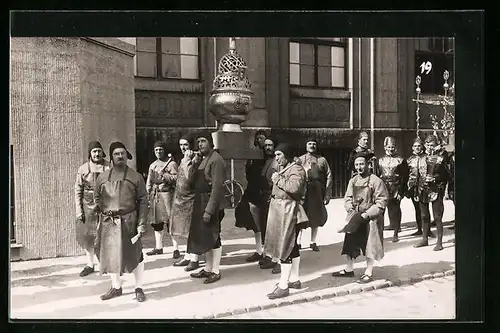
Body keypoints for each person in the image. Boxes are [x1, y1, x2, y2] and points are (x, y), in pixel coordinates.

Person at [94, 142, 148, 302]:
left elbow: (143, 201)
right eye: (116, 154)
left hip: (129, 221)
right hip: (109, 223)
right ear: (111, 157)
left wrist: (142, 223)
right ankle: (116, 287)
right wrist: (103, 214)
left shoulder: (136, 177)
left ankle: (139, 287)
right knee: (111, 255)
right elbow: (97, 198)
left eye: (123, 153)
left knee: (136, 255)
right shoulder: (102, 178)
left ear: (127, 156)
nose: (120, 156)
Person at [332, 152, 388, 283]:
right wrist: (350, 209)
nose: (359, 167)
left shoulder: (376, 181)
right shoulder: (353, 180)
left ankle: (368, 271)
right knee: (350, 242)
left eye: (362, 164)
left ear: (368, 164)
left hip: (371, 218)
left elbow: (381, 202)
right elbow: (348, 198)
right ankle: (349, 269)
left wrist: (367, 214)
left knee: (370, 244)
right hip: (356, 216)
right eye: (357, 164)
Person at [264, 143, 307, 299]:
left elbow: (294, 188)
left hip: (289, 211)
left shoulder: (296, 169)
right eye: (275, 155)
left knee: (285, 247)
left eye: (279, 155)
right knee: (292, 246)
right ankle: (294, 280)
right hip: (280, 210)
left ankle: (283, 286)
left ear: (287, 155)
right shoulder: (285, 168)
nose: (276, 158)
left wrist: (278, 179)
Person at [187, 132, 226, 284]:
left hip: (211, 203)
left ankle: (215, 270)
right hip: (200, 202)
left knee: (214, 237)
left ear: (211, 142)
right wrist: (194, 164)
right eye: (198, 142)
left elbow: (217, 188)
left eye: (203, 141)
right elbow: (190, 183)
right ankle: (208, 268)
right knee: (205, 237)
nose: (200, 144)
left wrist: (209, 210)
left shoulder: (217, 160)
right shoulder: (202, 160)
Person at [74, 141, 111, 277]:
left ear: (102, 152)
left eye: (99, 151)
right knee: (88, 237)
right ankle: (90, 264)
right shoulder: (83, 169)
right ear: (90, 153)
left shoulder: (109, 167)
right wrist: (79, 211)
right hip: (87, 207)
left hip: (104, 206)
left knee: (105, 236)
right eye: (94, 151)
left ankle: (105, 265)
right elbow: (78, 191)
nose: (97, 154)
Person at [413, 134, 452, 251]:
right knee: (424, 215)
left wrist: (436, 179)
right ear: (425, 146)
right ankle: (425, 238)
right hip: (423, 190)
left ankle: (439, 242)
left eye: (432, 145)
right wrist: (415, 190)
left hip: (436, 190)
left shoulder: (441, 159)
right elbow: (417, 176)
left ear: (436, 146)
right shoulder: (421, 159)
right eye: (428, 145)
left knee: (437, 217)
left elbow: (448, 176)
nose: (430, 147)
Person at [235, 130, 268, 263]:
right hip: (253, 191)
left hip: (264, 192)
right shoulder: (252, 156)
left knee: (265, 224)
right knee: (256, 224)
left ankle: (267, 253)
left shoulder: (269, 157)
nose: (260, 140)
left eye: (262, 138)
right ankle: (259, 251)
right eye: (258, 138)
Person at [297, 138, 333, 252]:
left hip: (317, 191)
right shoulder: (300, 159)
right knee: (301, 216)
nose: (312, 145)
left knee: (316, 216)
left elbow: (329, 176)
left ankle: (313, 242)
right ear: (306, 146)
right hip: (303, 191)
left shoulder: (322, 160)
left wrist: (327, 194)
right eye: (309, 143)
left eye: (314, 144)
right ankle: (298, 241)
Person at [171, 135, 200, 271]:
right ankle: (188, 256)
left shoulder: (195, 158)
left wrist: (189, 159)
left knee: (192, 231)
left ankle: (194, 259)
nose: (183, 148)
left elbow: (189, 177)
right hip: (182, 199)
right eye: (181, 145)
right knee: (184, 230)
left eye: (185, 145)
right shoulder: (183, 158)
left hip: (191, 199)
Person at [145, 141, 179, 258]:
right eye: (156, 150)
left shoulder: (171, 164)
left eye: (160, 149)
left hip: (167, 195)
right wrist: (147, 194)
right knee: (156, 222)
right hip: (156, 195)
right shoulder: (153, 165)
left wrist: (165, 176)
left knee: (170, 221)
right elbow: (149, 181)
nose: (158, 152)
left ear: (165, 150)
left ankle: (176, 248)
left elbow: (177, 178)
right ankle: (159, 247)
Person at [376, 136, 408, 242]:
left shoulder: (400, 160)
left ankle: (396, 232)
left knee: (395, 210)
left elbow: (404, 177)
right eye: (389, 147)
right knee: (381, 211)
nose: (391, 149)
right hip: (383, 188)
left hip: (396, 187)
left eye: (393, 147)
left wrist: (401, 192)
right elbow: (377, 176)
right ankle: (380, 234)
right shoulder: (380, 161)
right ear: (385, 147)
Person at [406, 137, 432, 237]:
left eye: (419, 146)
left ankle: (428, 230)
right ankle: (419, 228)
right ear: (412, 148)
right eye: (415, 146)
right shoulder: (409, 160)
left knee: (425, 209)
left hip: (424, 187)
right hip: (413, 187)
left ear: (422, 147)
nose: (417, 148)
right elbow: (406, 174)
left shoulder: (426, 158)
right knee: (417, 208)